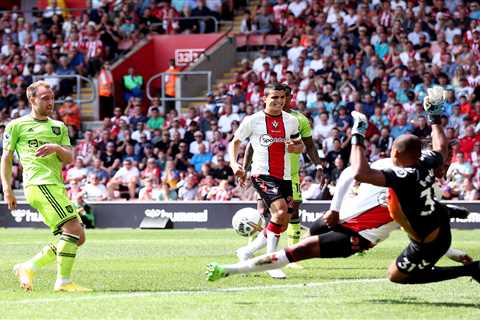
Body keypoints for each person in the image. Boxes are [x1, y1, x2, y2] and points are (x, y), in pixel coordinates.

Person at [206, 155, 473, 282]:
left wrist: (453, 251)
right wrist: (335, 209)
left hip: (357, 237)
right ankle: (242, 258)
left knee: (299, 249)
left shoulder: (416, 196)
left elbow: (417, 230)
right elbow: (348, 174)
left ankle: (230, 269)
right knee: (312, 230)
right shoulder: (384, 167)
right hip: (339, 219)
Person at [346, 86, 480, 285]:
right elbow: (441, 149)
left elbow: (359, 173)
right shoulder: (425, 163)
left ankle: (473, 269)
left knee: (396, 276)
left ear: (397, 154)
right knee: (406, 269)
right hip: (437, 229)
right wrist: (434, 117)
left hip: (427, 242)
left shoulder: (400, 176)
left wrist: (357, 136)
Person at [0, 81, 90, 292]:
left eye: (52, 98)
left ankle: (28, 267)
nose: (50, 102)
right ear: (32, 99)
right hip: (39, 184)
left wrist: (56, 148)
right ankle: (63, 282)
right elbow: (6, 157)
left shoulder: (58, 126)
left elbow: (68, 158)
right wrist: (7, 189)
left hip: (56, 185)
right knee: (74, 231)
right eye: (45, 98)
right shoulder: (16, 125)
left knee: (78, 237)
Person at [242, 84, 323, 269]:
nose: (281, 100)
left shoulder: (298, 120)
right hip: (265, 171)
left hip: (290, 174)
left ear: (290, 97)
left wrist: (318, 164)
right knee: (267, 212)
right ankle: (267, 257)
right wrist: (245, 168)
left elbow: (308, 145)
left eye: (285, 96)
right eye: (278, 96)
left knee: (290, 215)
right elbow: (252, 145)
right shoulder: (261, 119)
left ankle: (288, 253)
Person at [228, 83, 304, 279]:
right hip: (261, 173)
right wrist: (235, 165)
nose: (279, 101)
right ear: (264, 99)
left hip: (285, 176)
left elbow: (299, 145)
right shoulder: (253, 121)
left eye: (282, 98)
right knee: (279, 212)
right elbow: (235, 142)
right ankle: (270, 262)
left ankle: (247, 252)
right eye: (274, 98)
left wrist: (296, 148)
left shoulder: (291, 121)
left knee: (283, 222)